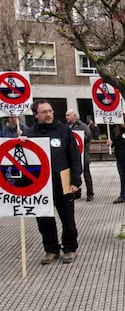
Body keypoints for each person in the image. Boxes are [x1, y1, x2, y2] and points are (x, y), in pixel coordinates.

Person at [25, 99, 82, 264]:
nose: (49, 114)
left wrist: (75, 181)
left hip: (63, 184)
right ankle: (51, 249)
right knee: (44, 221)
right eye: (44, 112)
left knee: (68, 220)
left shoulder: (63, 130)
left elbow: (74, 157)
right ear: (36, 115)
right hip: (41, 186)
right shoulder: (30, 134)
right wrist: (19, 144)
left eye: (50, 111)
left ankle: (70, 249)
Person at [66, 109, 94, 201]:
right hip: (72, 156)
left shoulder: (83, 126)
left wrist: (77, 136)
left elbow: (88, 137)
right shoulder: (66, 127)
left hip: (83, 154)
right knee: (74, 175)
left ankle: (90, 193)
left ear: (74, 116)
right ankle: (76, 192)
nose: (66, 117)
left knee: (86, 175)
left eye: (68, 115)